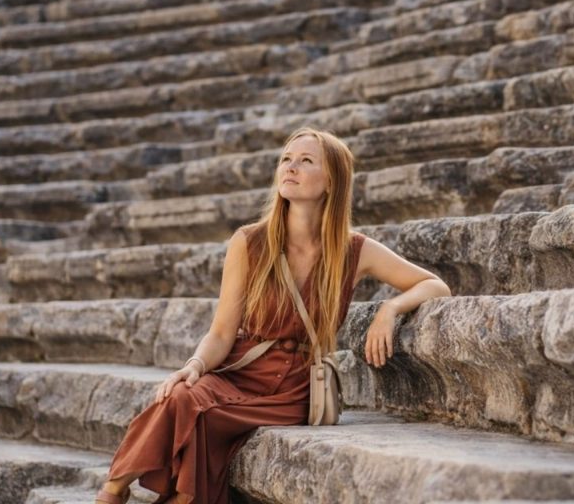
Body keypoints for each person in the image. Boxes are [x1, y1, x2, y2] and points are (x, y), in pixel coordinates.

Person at [95, 127, 452, 504]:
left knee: (197, 421)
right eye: (286, 159)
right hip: (241, 372)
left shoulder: (353, 249)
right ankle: (113, 492)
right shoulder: (249, 242)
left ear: (331, 181)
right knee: (183, 397)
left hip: (296, 390)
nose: (291, 167)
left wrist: (390, 308)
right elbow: (221, 333)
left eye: (306, 160)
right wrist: (196, 365)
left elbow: (434, 285)